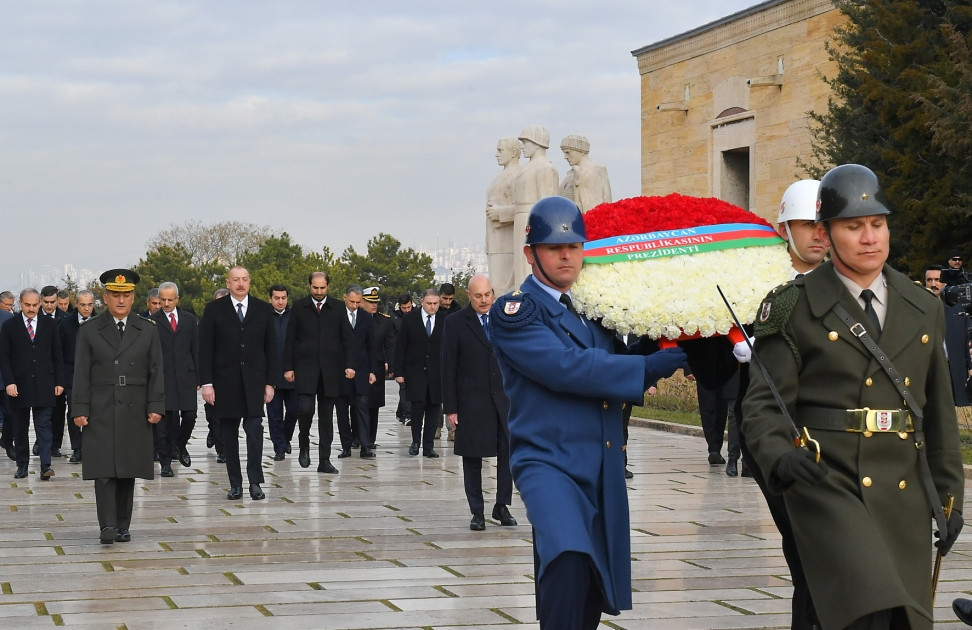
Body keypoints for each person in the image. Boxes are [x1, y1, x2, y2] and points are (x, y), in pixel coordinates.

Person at [742, 164, 964, 630]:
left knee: (902, 617)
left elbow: (938, 413)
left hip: (902, 488)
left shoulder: (923, 306)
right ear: (825, 233)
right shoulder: (791, 306)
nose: (869, 238)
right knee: (861, 609)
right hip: (828, 483)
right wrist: (780, 455)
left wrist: (949, 498)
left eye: (878, 224)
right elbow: (763, 405)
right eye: (853, 226)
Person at [489, 196, 686, 628]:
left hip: (601, 465)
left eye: (574, 246)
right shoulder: (515, 311)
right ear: (530, 254)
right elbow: (566, 368)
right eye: (554, 247)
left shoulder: (591, 308)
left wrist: (677, 337)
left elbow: (622, 351)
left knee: (591, 586)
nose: (566, 255)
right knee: (567, 558)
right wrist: (649, 367)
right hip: (549, 461)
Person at [72, 269, 164, 543]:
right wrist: (79, 408)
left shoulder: (147, 329)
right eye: (115, 295)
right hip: (101, 405)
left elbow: (156, 370)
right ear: (106, 297)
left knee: (128, 468)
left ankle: (123, 525)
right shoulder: (90, 330)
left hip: (134, 408)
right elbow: (81, 372)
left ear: (133, 297)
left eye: (126, 295)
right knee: (103, 469)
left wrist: (156, 404)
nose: (121, 301)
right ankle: (107, 526)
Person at [441, 274, 516, 531]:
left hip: (503, 401)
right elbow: (448, 367)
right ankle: (477, 511)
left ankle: (502, 505)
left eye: (487, 295)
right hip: (471, 403)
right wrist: (450, 408)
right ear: (468, 296)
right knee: (472, 458)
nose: (484, 300)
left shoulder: (505, 319)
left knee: (507, 454)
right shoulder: (455, 323)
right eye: (478, 296)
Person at [199, 266, 278, 501]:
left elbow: (271, 349)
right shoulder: (214, 310)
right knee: (228, 436)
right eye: (236, 280)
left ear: (250, 282)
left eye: (244, 279)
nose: (240, 284)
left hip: (254, 382)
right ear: (228, 282)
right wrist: (207, 383)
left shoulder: (263, 310)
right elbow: (206, 350)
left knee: (255, 431)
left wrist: (270, 383)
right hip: (225, 383)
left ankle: (255, 481)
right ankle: (235, 484)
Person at [283, 271, 355, 473]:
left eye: (322, 288)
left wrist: (350, 365)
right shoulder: (299, 307)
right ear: (309, 286)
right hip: (305, 369)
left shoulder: (339, 308)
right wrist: (288, 367)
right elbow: (290, 339)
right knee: (305, 409)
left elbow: (348, 339)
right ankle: (304, 442)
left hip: (331, 371)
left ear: (328, 287)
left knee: (326, 417)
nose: (319, 291)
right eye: (315, 288)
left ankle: (324, 459)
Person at [0, 288, 64, 480]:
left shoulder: (50, 325)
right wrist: (9, 382)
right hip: (19, 385)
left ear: (40, 304)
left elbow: (57, 354)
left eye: (35, 305)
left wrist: (59, 381)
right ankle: (22, 465)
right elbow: (4, 357)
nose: (31, 308)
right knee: (20, 426)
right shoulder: (10, 326)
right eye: (27, 305)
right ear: (20, 303)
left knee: (44, 424)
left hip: (45, 382)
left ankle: (46, 465)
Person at [150, 282, 199, 477]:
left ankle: (180, 445)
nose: (167, 303)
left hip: (186, 376)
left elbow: (195, 348)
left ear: (177, 299)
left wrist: (199, 377)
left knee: (190, 416)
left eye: (170, 300)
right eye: (163, 300)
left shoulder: (188, 319)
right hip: (164, 378)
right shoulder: (153, 322)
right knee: (164, 424)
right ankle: (165, 463)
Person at [393, 288, 444, 458]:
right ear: (422, 301)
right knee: (417, 409)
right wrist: (398, 371)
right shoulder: (410, 319)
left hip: (437, 373)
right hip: (415, 372)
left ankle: (428, 446)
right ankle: (415, 442)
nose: (432, 307)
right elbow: (401, 347)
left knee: (433, 410)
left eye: (435, 303)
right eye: (429, 303)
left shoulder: (445, 320)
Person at [512, 125, 560, 287]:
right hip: (523, 221)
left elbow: (549, 206)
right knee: (522, 268)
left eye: (526, 142)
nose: (522, 147)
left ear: (537, 143)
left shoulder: (546, 168)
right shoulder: (530, 167)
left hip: (534, 224)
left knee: (531, 267)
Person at [335, 284, 377, 459]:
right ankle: (346, 445)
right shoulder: (336, 316)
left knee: (362, 408)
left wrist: (372, 371)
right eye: (351, 301)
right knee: (342, 410)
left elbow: (372, 346)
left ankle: (365, 445)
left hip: (361, 370)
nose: (354, 305)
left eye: (358, 302)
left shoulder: (366, 318)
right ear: (345, 297)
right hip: (340, 370)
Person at [58, 289, 96, 464]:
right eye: (83, 305)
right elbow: (59, 353)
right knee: (74, 411)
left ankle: (93, 446)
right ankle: (77, 448)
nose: (86, 308)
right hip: (72, 376)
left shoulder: (101, 322)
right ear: (77, 304)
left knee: (96, 412)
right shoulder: (65, 324)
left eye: (90, 305)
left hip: (97, 376)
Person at [926, 264, 972, 408]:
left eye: (937, 279)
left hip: (956, 367)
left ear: (945, 282)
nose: (933, 284)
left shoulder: (959, 307)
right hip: (929, 369)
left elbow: (968, 337)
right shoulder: (917, 310)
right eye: (929, 280)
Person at [360, 287, 395, 449]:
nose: (374, 305)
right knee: (358, 404)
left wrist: (391, 364)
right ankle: (358, 437)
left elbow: (389, 345)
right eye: (370, 302)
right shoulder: (356, 318)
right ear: (362, 302)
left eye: (376, 302)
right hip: (359, 367)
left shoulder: (384, 321)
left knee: (373, 405)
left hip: (377, 368)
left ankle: (370, 439)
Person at [266, 284, 298, 461]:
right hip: (271, 374)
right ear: (270, 298)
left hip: (292, 373)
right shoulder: (264, 316)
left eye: (283, 298)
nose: (280, 301)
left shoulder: (294, 317)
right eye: (277, 298)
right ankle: (279, 447)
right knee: (274, 414)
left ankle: (286, 438)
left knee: (294, 410)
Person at [485, 137, 521, 297]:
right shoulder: (504, 175)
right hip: (497, 242)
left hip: (507, 243)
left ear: (513, 153)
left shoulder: (518, 176)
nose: (496, 154)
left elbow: (524, 208)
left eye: (500, 150)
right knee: (497, 288)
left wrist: (500, 213)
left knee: (503, 290)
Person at [204, 287, 229, 462]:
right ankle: (220, 447)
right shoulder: (209, 319)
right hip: (213, 375)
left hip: (232, 375)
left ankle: (224, 449)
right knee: (214, 414)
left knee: (226, 415)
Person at [558, 134, 612, 213]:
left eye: (568, 152)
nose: (565, 157)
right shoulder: (570, 174)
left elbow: (603, 204)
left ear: (581, 151)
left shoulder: (597, 170)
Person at [393, 293, 413, 424]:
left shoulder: (417, 314)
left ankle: (401, 412)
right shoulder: (392, 317)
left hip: (413, 357)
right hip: (399, 356)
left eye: (408, 307)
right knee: (404, 387)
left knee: (409, 387)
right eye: (403, 308)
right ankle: (408, 415)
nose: (406, 310)